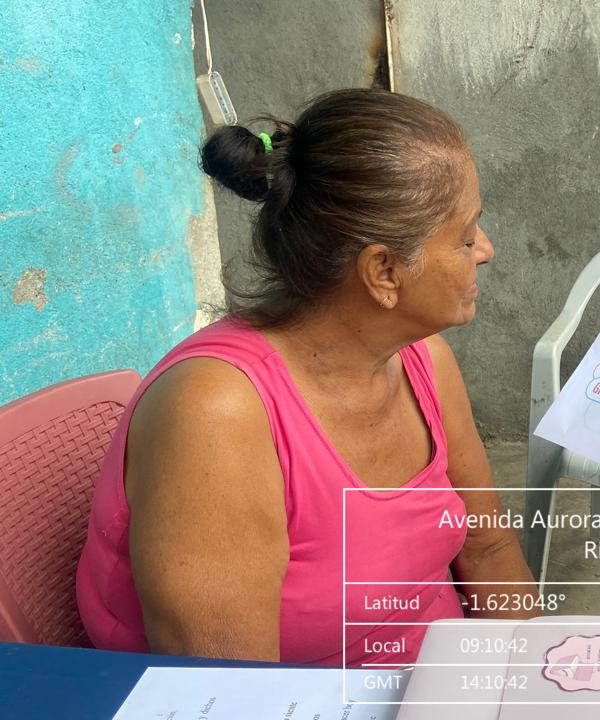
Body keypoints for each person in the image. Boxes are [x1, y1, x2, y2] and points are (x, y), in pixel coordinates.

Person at [76, 89, 535, 666]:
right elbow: (229, 694)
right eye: (466, 236)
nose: (485, 250)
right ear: (384, 271)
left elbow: (488, 548)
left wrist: (537, 680)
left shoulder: (424, 361)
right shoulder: (217, 415)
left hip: (437, 683)